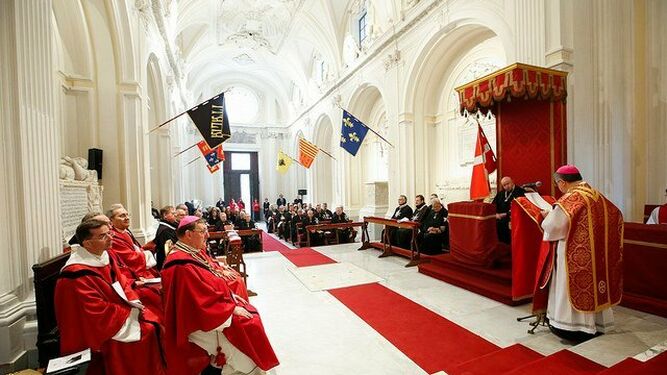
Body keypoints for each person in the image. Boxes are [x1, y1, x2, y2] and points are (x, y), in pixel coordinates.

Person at [161, 217, 279, 375]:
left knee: (251, 316)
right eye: (203, 231)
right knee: (248, 329)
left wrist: (231, 297)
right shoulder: (181, 265)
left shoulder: (190, 253)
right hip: (201, 320)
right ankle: (251, 368)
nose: (207, 235)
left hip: (215, 308)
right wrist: (231, 310)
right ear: (188, 235)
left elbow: (207, 284)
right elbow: (198, 301)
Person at [55, 219, 165, 375]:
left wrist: (134, 302)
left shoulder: (105, 256)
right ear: (87, 244)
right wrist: (130, 312)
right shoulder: (74, 275)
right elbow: (93, 311)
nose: (110, 238)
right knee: (146, 332)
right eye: (102, 236)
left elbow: (122, 282)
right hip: (95, 327)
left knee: (154, 318)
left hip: (116, 311)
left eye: (109, 233)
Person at [534, 165, 623, 341]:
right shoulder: (596, 196)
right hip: (597, 255)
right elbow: (616, 214)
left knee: (571, 288)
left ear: (562, 182)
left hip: (573, 255)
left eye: (557, 184)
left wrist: (545, 216)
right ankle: (597, 324)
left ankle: (573, 328)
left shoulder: (571, 198)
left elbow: (553, 227)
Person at [107, 204, 163, 317]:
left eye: (127, 214)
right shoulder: (113, 237)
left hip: (139, 270)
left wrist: (146, 250)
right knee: (154, 294)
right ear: (111, 220)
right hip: (132, 275)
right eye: (122, 216)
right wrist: (149, 252)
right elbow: (130, 258)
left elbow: (137, 249)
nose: (127, 217)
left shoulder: (125, 231)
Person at [491, 176, 525, 244]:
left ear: (512, 181)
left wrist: (505, 214)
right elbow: (493, 205)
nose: (506, 186)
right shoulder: (501, 194)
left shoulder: (520, 192)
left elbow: (521, 208)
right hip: (499, 218)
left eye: (508, 184)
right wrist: (495, 214)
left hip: (513, 218)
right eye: (504, 185)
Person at [154, 205, 178, 270]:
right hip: (166, 262)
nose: (175, 215)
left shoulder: (169, 227)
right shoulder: (165, 230)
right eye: (173, 213)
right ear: (165, 215)